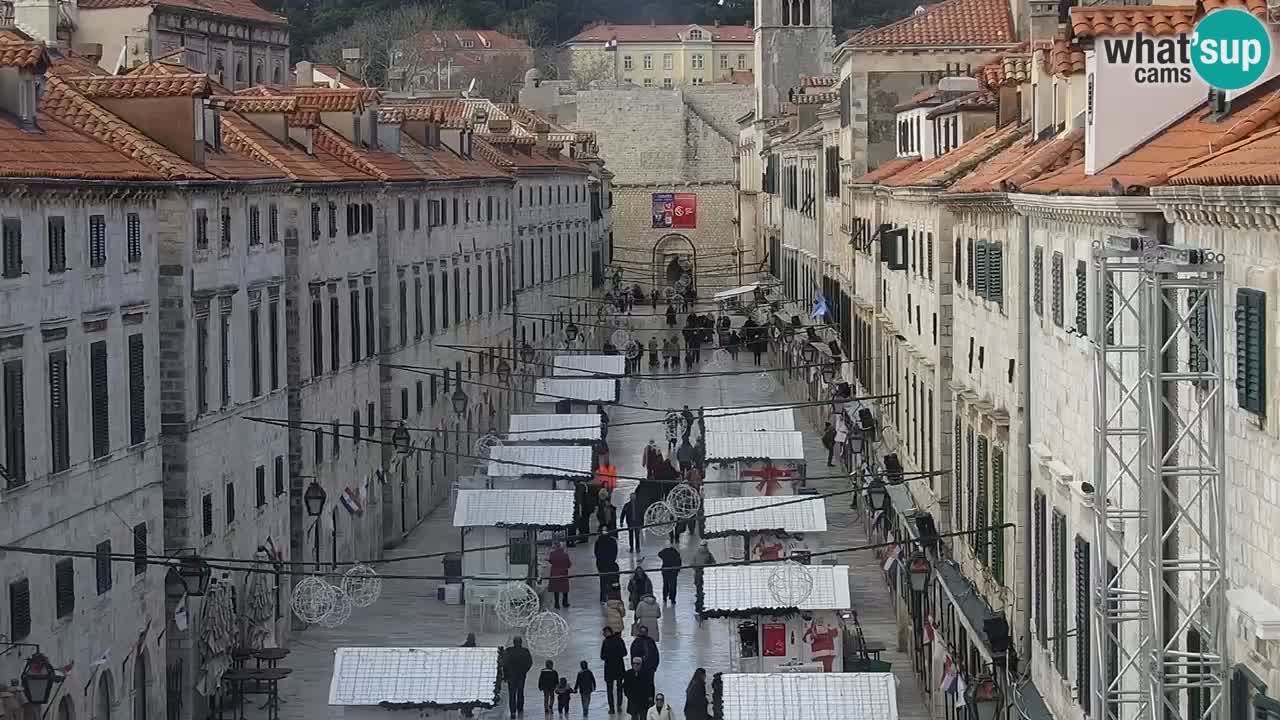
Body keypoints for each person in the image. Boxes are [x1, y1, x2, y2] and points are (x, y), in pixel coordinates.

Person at [504, 637, 534, 718]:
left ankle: (513, 711)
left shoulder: (508, 651)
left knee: (512, 694)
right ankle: (520, 708)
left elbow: (504, 663)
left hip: (511, 676)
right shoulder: (525, 651)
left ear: (513, 642)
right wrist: (524, 671)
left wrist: (506, 674)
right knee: (520, 692)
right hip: (521, 675)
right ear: (521, 642)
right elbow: (530, 663)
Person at [601, 627, 627, 713]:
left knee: (610, 690)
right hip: (619, 667)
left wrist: (608, 657)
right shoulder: (619, 640)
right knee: (619, 688)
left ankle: (612, 708)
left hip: (609, 669)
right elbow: (624, 652)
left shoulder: (605, 642)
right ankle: (619, 706)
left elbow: (602, 656)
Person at [594, 531, 617, 602]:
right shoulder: (612, 541)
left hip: (601, 563)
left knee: (603, 580)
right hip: (609, 563)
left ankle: (603, 597)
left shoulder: (598, 541)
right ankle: (611, 596)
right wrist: (612, 560)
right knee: (611, 579)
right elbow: (615, 552)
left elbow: (596, 552)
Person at [548, 542, 572, 609]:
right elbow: (569, 564)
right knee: (564, 588)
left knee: (556, 589)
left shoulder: (552, 554)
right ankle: (565, 602)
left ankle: (556, 603)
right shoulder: (565, 555)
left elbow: (551, 561)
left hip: (554, 572)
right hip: (563, 572)